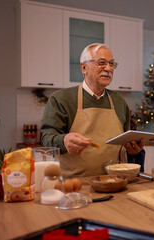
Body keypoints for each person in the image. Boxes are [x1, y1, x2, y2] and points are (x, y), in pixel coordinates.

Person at [40, 43, 145, 177]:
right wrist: (64, 140)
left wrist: (132, 150)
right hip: (76, 185)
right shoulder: (61, 99)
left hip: (115, 181)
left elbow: (125, 144)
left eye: (112, 64)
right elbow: (47, 137)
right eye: (102, 63)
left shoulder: (119, 102)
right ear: (84, 67)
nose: (108, 68)